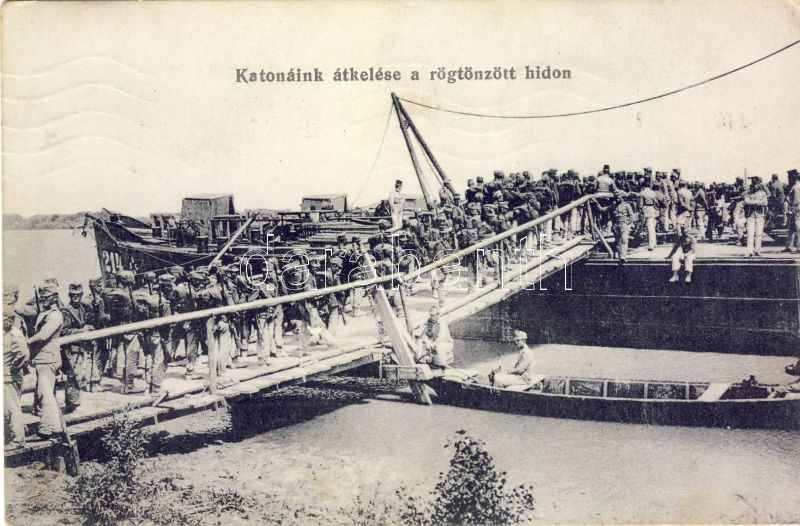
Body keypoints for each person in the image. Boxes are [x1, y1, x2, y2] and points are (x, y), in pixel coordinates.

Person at [27, 284, 64, 439]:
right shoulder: (46, 313)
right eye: (42, 297)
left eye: (46, 297)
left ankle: (45, 430)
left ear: (54, 298)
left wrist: (26, 342)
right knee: (46, 394)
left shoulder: (55, 316)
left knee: (45, 395)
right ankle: (56, 429)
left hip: (48, 359)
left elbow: (43, 335)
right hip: (43, 358)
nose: (43, 300)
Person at [60, 283, 92, 411]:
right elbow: (63, 331)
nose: (76, 297)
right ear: (69, 295)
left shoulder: (82, 309)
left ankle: (73, 403)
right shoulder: (66, 311)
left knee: (79, 375)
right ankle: (72, 404)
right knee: (73, 376)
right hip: (71, 349)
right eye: (73, 295)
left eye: (78, 295)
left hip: (80, 347)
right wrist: (81, 331)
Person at [4, 286, 29, 448]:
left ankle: (18, 440)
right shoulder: (6, 333)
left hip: (10, 377)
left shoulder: (14, 334)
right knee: (8, 408)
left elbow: (23, 355)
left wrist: (13, 368)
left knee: (12, 408)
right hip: (6, 377)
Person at [743, 176, 768, 257]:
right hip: (751, 215)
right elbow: (746, 201)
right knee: (750, 234)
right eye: (754, 183)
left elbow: (765, 203)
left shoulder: (763, 193)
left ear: (759, 184)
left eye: (756, 183)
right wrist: (758, 202)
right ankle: (749, 251)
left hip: (760, 215)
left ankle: (757, 250)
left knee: (759, 234)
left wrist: (753, 202)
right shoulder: (748, 193)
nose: (755, 185)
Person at [638, 182, 661, 250]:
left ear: (643, 186)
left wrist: (640, 210)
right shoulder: (653, 192)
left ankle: (650, 245)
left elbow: (640, 204)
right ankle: (654, 243)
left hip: (646, 209)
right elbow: (656, 202)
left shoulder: (642, 193)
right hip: (652, 209)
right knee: (652, 227)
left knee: (648, 227)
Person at [784, 169, 800, 254]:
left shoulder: (796, 187)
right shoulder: (794, 186)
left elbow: (795, 200)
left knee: (797, 228)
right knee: (791, 228)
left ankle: (799, 248)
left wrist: (790, 209)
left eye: (789, 177)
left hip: (796, 208)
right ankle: (788, 246)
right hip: (795, 209)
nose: (788, 179)